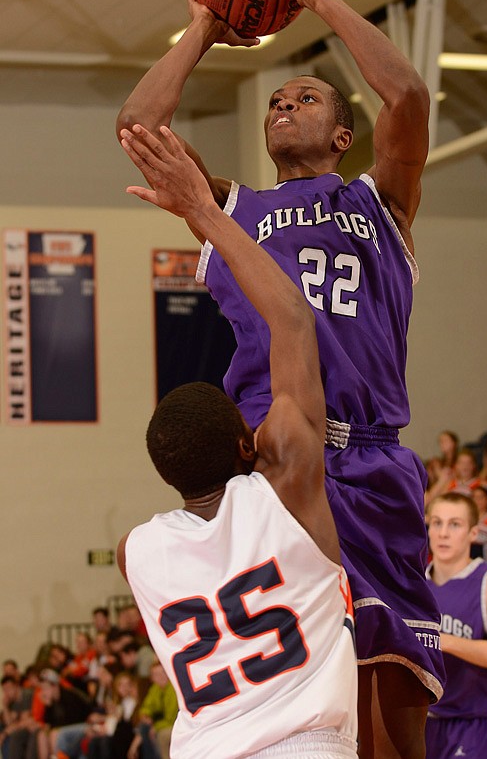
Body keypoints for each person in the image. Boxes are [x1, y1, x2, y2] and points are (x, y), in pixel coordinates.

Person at [117, 0, 444, 758]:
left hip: (370, 457)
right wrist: (200, 29)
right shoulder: (229, 208)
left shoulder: (381, 203)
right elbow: (138, 127)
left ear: (344, 135)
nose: (283, 102)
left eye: (305, 96)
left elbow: (407, 98)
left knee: (392, 714)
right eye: (274, 97)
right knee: (296, 693)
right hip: (272, 457)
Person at [117, 123, 358, 758]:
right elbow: (292, 318)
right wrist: (203, 211)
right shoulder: (286, 494)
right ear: (248, 444)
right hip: (306, 746)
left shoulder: (136, 551)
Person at [424, 492, 487, 759]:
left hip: (469, 724)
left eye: (455, 524)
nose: (443, 533)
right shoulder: (415, 581)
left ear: (473, 533)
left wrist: (444, 640)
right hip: (422, 721)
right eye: (437, 523)